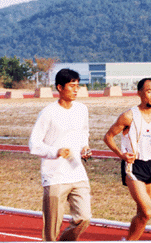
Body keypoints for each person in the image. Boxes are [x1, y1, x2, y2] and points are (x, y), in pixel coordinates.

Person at [104, 78, 151, 241]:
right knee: (148, 210)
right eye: (149, 91)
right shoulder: (128, 116)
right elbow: (108, 137)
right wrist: (121, 154)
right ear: (140, 93)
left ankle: (130, 240)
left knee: (143, 214)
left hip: (150, 165)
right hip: (133, 166)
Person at [29, 68, 92, 241]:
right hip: (55, 176)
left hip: (77, 172)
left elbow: (83, 132)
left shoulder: (82, 110)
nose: (75, 90)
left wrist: (84, 147)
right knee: (52, 228)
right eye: (71, 86)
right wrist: (54, 152)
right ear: (59, 87)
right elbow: (34, 144)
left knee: (84, 218)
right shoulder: (48, 112)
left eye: (77, 86)